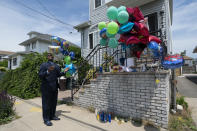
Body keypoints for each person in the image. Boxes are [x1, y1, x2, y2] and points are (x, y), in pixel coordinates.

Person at [39, 53, 69, 126]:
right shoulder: (44, 65)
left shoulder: (56, 66)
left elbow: (59, 74)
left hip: (54, 87)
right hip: (46, 87)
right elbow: (40, 75)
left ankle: (52, 116)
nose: (50, 56)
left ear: (53, 57)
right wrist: (47, 71)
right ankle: (46, 119)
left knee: (53, 103)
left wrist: (64, 71)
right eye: (49, 55)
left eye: (51, 55)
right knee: (46, 104)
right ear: (47, 57)